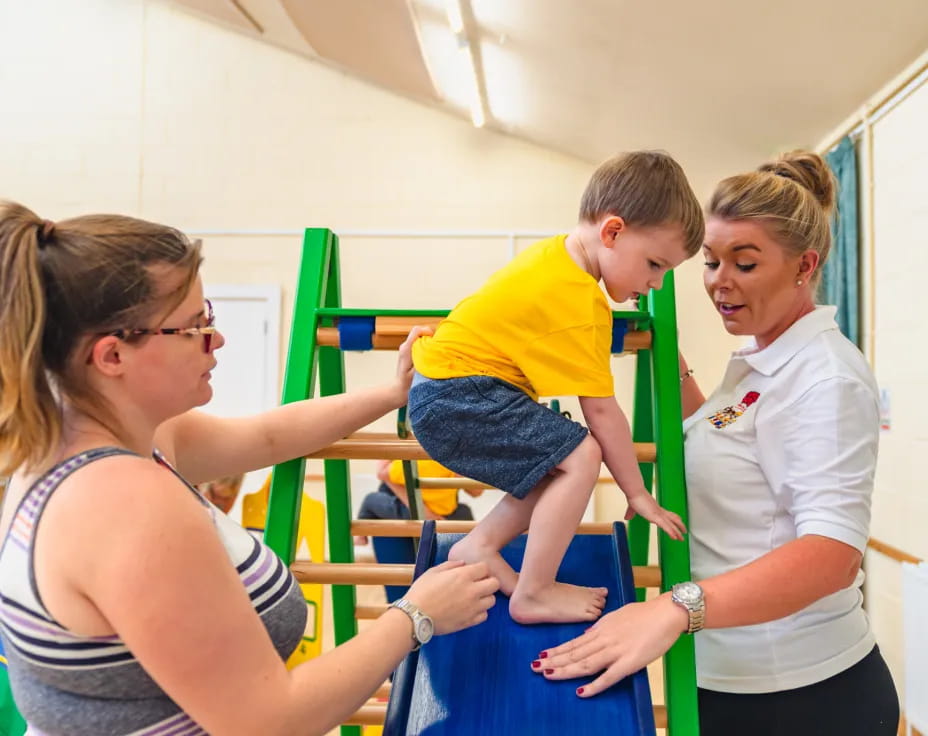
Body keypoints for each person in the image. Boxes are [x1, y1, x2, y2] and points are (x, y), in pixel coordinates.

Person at [0, 202, 499, 736]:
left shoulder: (86, 438)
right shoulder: (124, 504)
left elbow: (265, 435)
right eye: (193, 327)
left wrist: (393, 392)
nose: (217, 340)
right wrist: (416, 615)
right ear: (112, 356)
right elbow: (266, 720)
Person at [533, 152, 899, 735]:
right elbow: (729, 444)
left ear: (805, 264)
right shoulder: (761, 359)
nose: (718, 283)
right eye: (709, 263)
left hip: (798, 695)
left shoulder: (825, 376)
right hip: (725, 675)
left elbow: (832, 554)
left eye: (744, 264)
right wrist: (661, 348)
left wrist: (674, 608)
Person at [408, 151, 702, 625]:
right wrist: (638, 494)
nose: (655, 283)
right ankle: (535, 592)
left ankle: (480, 545)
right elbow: (602, 414)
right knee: (582, 454)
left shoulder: (554, 255)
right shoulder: (581, 299)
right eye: (654, 264)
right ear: (612, 232)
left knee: (555, 461)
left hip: (442, 392)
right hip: (459, 394)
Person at [353, 459, 482, 545]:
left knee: (370, 499)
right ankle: (474, 547)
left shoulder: (409, 464)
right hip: (444, 510)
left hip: (409, 512)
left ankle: (360, 537)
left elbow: (384, 473)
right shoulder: (448, 462)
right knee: (465, 513)